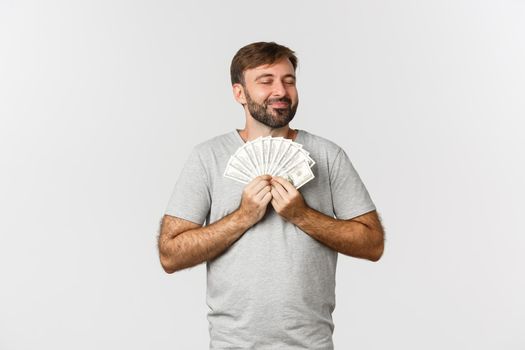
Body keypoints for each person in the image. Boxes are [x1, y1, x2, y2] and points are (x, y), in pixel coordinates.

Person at [158, 41, 385, 350]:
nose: (281, 90)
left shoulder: (328, 155)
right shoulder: (207, 157)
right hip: (231, 345)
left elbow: (372, 243)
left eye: (288, 81)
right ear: (239, 93)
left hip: (311, 345)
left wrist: (302, 215)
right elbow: (170, 254)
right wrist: (243, 217)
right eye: (266, 81)